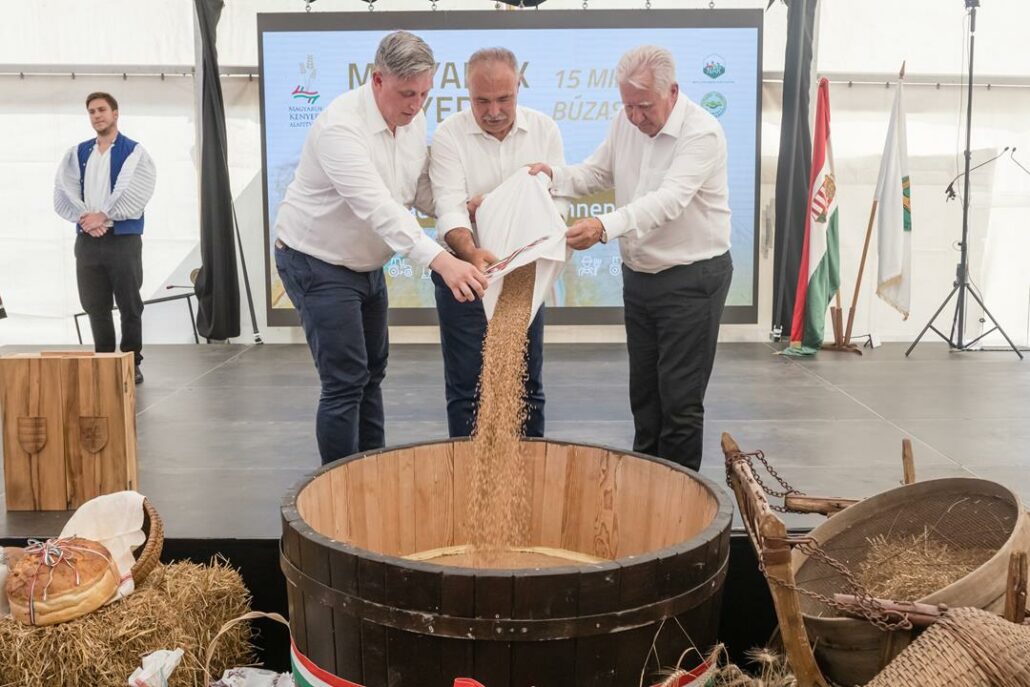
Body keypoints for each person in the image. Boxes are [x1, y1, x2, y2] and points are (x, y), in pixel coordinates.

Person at [274, 31, 487, 465]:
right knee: (345, 380)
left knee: (372, 373)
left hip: (365, 263)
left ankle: (370, 474)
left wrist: (462, 213)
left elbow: (413, 191)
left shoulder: (414, 119)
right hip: (316, 261)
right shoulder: (341, 128)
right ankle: (337, 495)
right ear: (376, 80)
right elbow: (381, 209)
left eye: (425, 94)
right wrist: (445, 261)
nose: (416, 105)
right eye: (407, 93)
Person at [530, 46, 733, 471]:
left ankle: (678, 512)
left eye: (644, 106)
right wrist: (554, 176)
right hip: (639, 277)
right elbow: (597, 173)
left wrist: (604, 226)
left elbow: (668, 202)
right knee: (645, 397)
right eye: (627, 105)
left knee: (679, 402)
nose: (636, 117)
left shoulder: (702, 133)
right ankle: (646, 488)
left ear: (673, 92)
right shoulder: (625, 121)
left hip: (691, 279)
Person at [430, 47, 566, 438]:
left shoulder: (544, 130)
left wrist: (492, 202)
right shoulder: (449, 135)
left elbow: (556, 202)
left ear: (518, 86)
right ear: (467, 93)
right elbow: (449, 209)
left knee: (526, 388)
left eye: (503, 98)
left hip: (524, 276)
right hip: (465, 273)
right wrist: (471, 253)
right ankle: (468, 485)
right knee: (466, 389)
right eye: (481, 100)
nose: (493, 111)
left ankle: (528, 481)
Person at [54, 92, 157, 385]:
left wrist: (106, 216)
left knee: (129, 302)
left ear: (115, 113)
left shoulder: (134, 152)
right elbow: (65, 188)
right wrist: (87, 219)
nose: (96, 115)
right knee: (94, 304)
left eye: (101, 110)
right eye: (91, 111)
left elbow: (137, 191)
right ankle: (103, 358)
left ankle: (131, 359)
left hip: (122, 240)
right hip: (88, 239)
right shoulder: (78, 153)